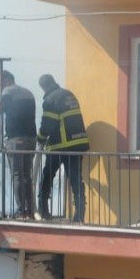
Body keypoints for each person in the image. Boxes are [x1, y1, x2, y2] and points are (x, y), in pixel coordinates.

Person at [37, 74, 90, 222]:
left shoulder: (50, 100)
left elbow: (48, 124)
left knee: (47, 177)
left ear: (43, 87)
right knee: (76, 180)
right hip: (78, 145)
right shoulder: (69, 94)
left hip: (61, 147)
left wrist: (40, 138)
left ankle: (43, 211)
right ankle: (79, 215)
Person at [0, 70, 37, 218]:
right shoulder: (28, 92)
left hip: (16, 139)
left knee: (17, 175)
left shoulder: (8, 91)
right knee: (27, 175)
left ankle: (21, 210)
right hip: (31, 139)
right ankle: (29, 209)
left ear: (7, 80)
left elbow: (0, 108)